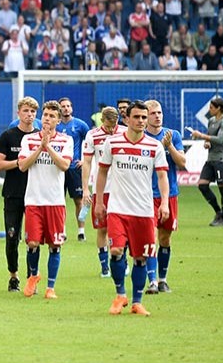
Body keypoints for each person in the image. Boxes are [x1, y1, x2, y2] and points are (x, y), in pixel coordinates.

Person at [94, 101, 169, 317]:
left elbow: (162, 176)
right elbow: (102, 173)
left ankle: (137, 302)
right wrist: (99, 201)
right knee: (116, 251)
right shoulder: (113, 143)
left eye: (144, 118)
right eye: (137, 117)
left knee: (141, 258)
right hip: (117, 208)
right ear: (127, 119)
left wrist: (164, 202)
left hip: (144, 211)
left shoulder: (154, 146)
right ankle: (120, 295)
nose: (141, 121)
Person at [18, 100, 73, 299]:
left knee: (55, 245)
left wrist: (48, 147)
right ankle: (33, 276)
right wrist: (39, 148)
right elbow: (23, 166)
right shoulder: (29, 140)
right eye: (46, 115)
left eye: (52, 116)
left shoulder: (66, 141)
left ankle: (50, 287)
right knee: (32, 243)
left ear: (58, 120)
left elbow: (64, 166)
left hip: (55, 201)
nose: (47, 119)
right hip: (33, 200)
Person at [0, 97, 39, 292]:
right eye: (26, 111)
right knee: (12, 237)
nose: (30, 115)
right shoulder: (8, 136)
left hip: (36, 194)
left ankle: (32, 278)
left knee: (33, 239)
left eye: (33, 112)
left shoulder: (40, 137)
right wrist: (19, 162)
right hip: (13, 193)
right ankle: (14, 276)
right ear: (18, 113)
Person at [144, 100, 186, 293]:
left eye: (159, 112)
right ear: (146, 116)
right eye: (153, 113)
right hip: (145, 195)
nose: (157, 116)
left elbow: (182, 162)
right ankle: (152, 281)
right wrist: (159, 148)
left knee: (165, 239)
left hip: (169, 195)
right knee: (150, 238)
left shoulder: (173, 135)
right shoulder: (141, 138)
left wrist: (169, 147)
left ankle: (162, 279)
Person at [81, 107, 122, 277]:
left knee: (121, 228)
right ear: (102, 120)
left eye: (115, 124)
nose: (112, 129)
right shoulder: (92, 135)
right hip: (101, 189)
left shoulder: (125, 133)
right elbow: (87, 162)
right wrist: (85, 189)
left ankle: (121, 262)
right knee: (102, 228)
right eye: (109, 125)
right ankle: (105, 266)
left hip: (121, 189)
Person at [187, 97, 223, 226]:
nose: (209, 110)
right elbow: (210, 138)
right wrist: (206, 142)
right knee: (202, 185)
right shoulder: (211, 121)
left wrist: (201, 136)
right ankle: (218, 212)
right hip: (210, 159)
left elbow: (219, 139)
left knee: (222, 189)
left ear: (219, 108)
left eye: (212, 107)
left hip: (221, 160)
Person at [57, 98, 91, 241]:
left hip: (74, 168)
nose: (66, 108)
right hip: (58, 168)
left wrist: (84, 160)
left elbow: (91, 142)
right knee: (59, 200)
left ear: (72, 108)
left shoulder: (80, 125)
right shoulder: (56, 125)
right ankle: (62, 231)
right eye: (63, 106)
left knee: (78, 201)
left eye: (68, 106)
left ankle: (81, 231)